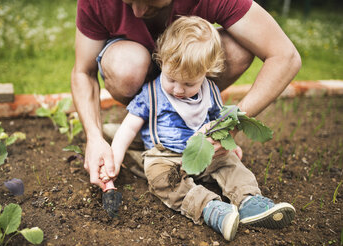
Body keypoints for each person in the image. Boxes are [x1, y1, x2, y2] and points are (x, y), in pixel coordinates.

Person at [70, 0, 301, 190]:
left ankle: (183, 125)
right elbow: (83, 72)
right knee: (126, 66)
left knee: (238, 49)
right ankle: (147, 128)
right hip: (133, 65)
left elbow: (285, 56)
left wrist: (229, 126)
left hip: (187, 66)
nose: (138, 12)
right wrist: (94, 136)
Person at [105, 16, 295, 241]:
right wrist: (115, 156)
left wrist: (229, 145)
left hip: (205, 152)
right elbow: (127, 128)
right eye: (172, 79)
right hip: (166, 156)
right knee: (161, 179)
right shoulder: (152, 94)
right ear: (162, 61)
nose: (178, 89)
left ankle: (249, 200)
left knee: (232, 164)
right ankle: (209, 208)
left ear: (206, 72)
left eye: (189, 84)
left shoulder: (210, 92)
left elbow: (221, 123)